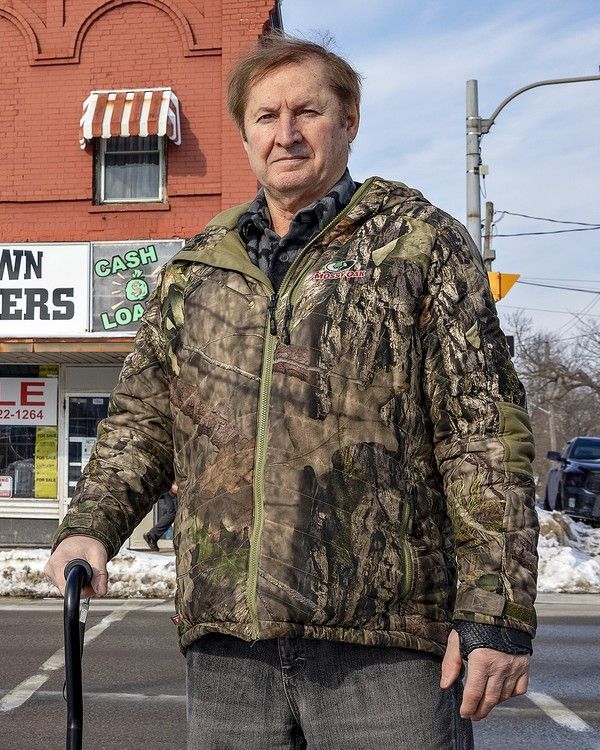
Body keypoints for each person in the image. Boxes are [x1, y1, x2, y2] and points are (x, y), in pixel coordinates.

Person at [44, 33, 538, 749]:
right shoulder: (198, 269)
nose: (285, 134)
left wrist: (496, 611)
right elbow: (143, 421)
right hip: (227, 651)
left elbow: (482, 433)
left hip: (388, 652)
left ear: (349, 120)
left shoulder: (419, 244)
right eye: (265, 117)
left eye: (306, 111)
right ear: (245, 132)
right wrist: (90, 525)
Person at [143, 482, 178, 551]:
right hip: (168, 489)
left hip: (166, 490)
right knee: (171, 514)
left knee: (171, 514)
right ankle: (151, 536)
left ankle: (152, 536)